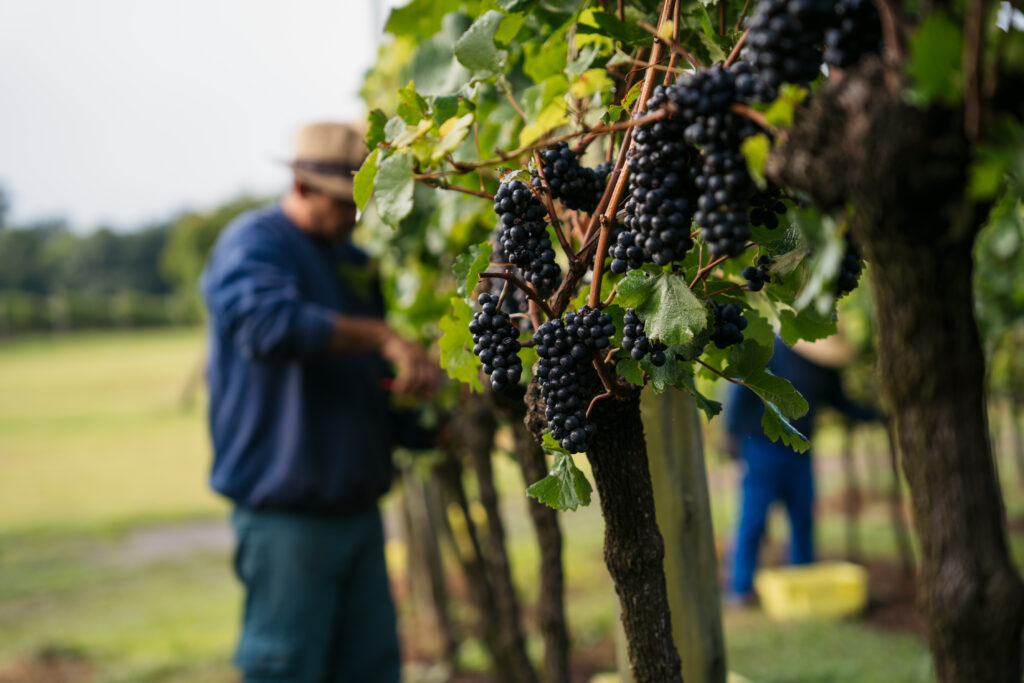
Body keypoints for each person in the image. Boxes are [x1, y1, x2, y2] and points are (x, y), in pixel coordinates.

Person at [200, 121, 440, 682]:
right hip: (287, 514)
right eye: (342, 203)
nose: (353, 218)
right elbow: (268, 327)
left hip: (357, 508)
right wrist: (382, 337)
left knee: (371, 667)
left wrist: (421, 420)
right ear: (304, 188)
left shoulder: (351, 261)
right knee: (286, 666)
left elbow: (363, 375)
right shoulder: (254, 243)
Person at [723, 335, 878, 603]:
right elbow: (741, 388)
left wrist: (873, 415)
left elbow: (839, 401)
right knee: (754, 518)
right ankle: (739, 588)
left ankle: (803, 585)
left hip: (800, 450)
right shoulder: (770, 350)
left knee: (802, 516)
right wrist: (731, 433)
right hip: (761, 446)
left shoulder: (825, 366)